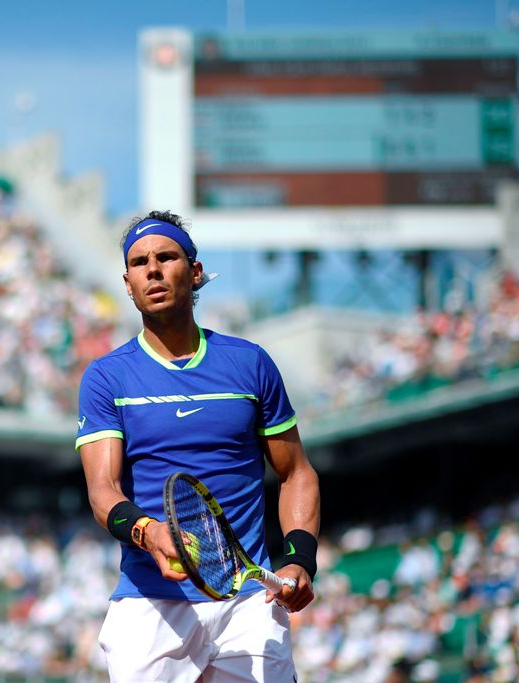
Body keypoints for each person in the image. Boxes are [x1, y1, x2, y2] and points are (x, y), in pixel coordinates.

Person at [77, 210, 320, 682]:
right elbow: (102, 491)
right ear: (127, 284)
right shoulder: (106, 377)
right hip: (149, 605)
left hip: (249, 603)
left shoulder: (250, 364)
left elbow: (297, 473)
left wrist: (299, 557)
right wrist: (150, 532)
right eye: (139, 262)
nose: (152, 269)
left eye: (166, 257)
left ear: (195, 272)